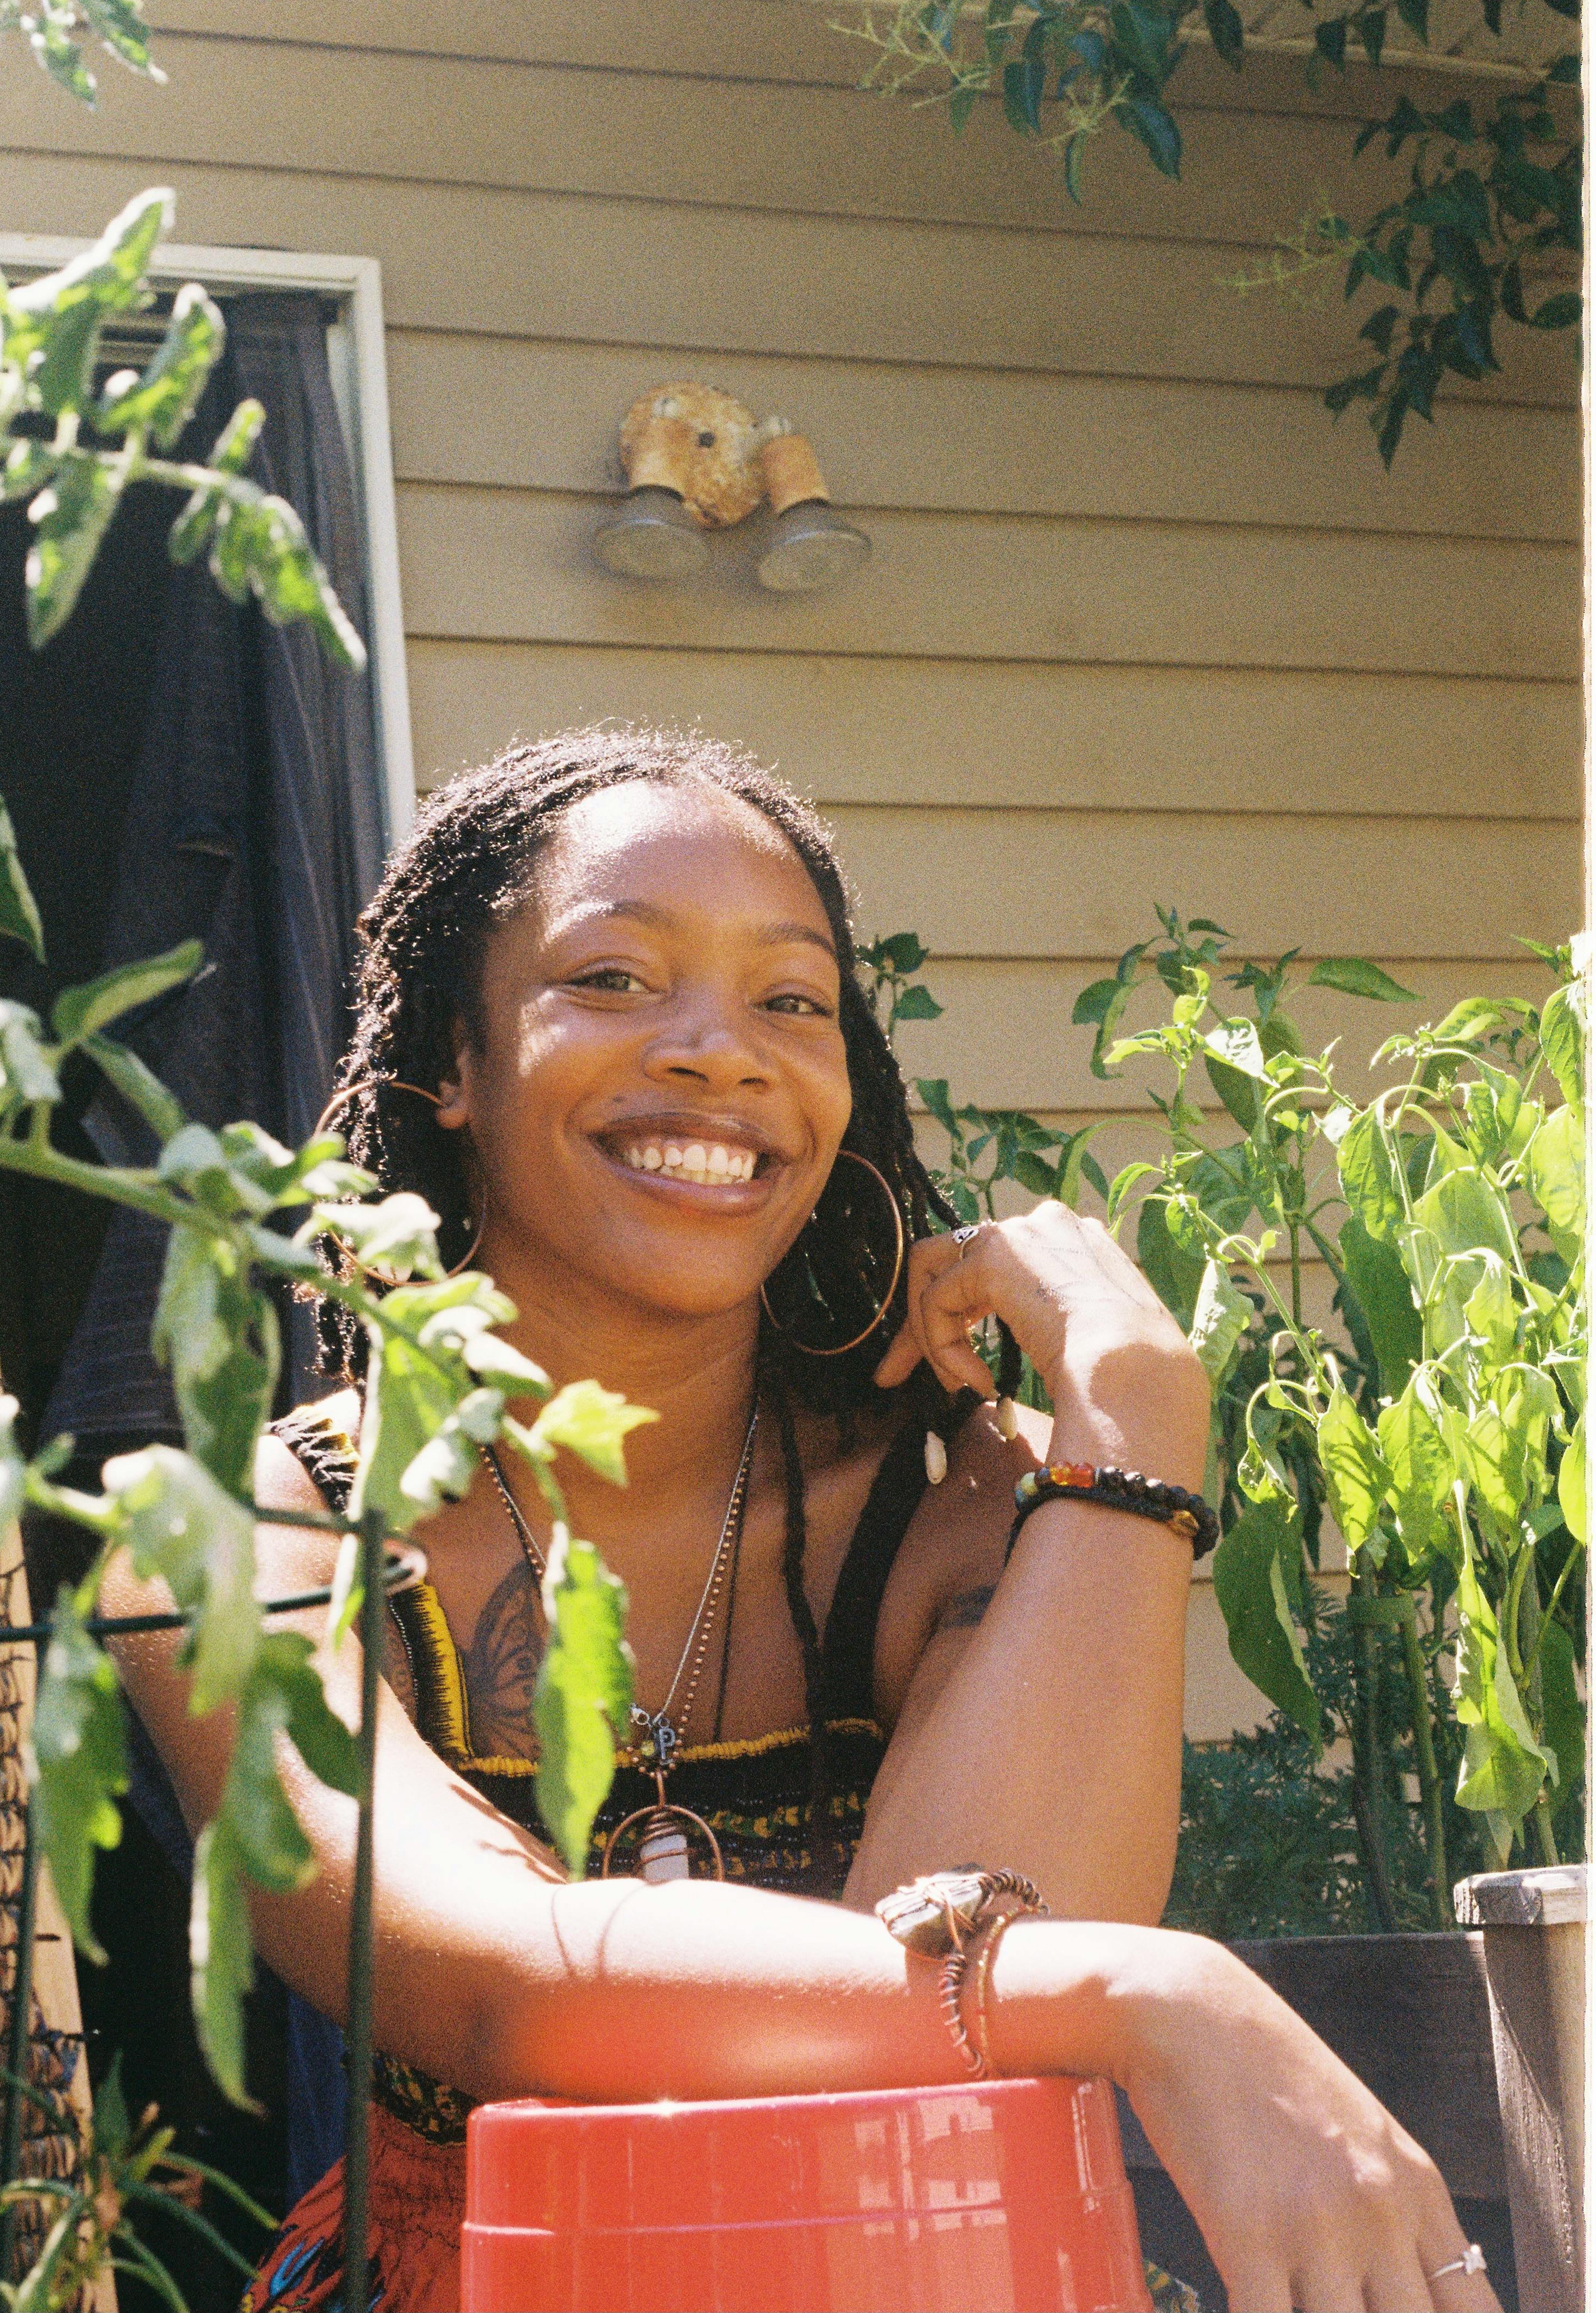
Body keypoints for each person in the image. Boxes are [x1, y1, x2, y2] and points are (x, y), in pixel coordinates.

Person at [109, 731, 1501, 2313]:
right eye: (617, 979)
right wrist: (1154, 1995)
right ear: (453, 1056)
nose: (721, 1052)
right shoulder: (242, 1544)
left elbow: (947, 2039)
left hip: (933, 2272)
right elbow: (505, 1991)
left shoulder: (967, 1512)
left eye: (792, 1000)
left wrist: (1136, 1416)